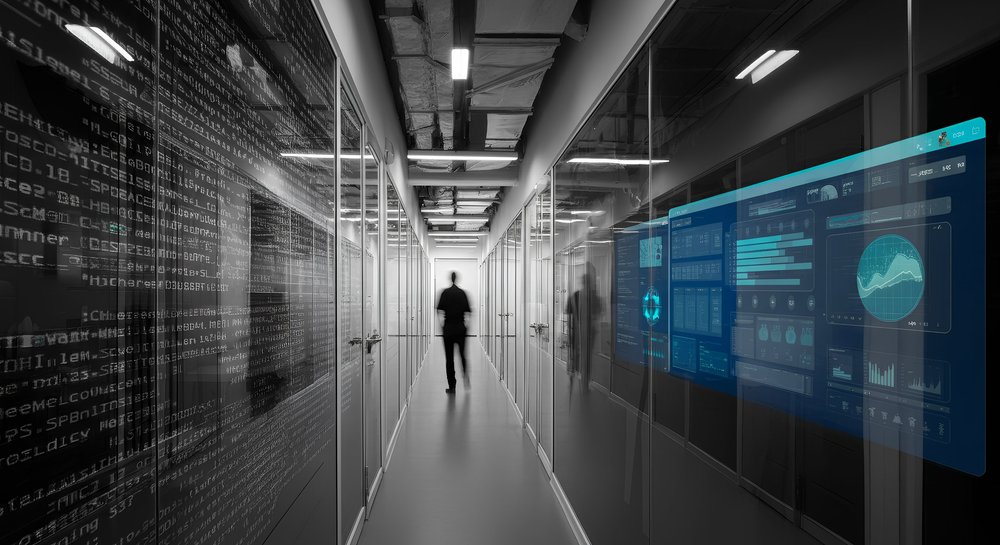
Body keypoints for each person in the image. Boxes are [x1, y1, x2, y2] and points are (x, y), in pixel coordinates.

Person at [437, 271, 471, 394]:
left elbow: (439, 311)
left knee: (449, 358)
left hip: (448, 329)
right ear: (457, 278)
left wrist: (442, 326)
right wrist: (466, 327)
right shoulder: (462, 293)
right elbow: (469, 312)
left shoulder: (445, 293)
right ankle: (465, 377)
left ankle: (452, 385)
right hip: (460, 329)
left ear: (450, 278)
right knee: (462, 355)